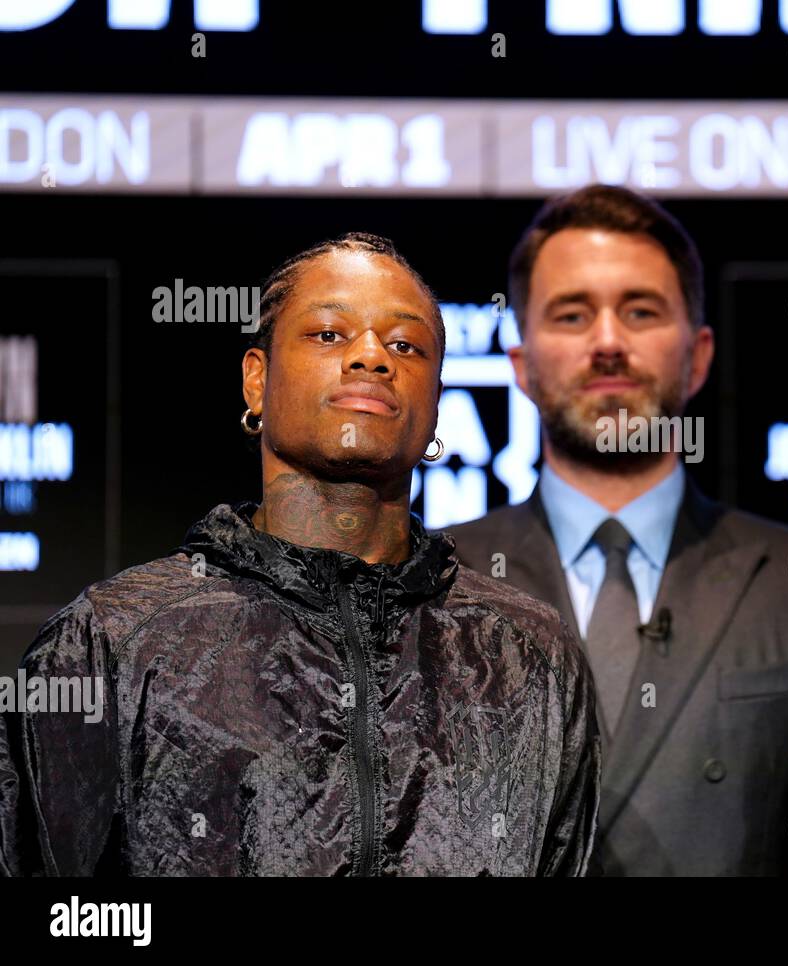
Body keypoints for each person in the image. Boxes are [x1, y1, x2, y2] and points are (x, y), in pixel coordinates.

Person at [0, 232, 599, 876]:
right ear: (256, 381)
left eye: (405, 345)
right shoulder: (111, 640)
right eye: (329, 335)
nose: (372, 358)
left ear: (435, 404)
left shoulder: (529, 655)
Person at [447, 185, 788, 875]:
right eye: (571, 314)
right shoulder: (434, 580)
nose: (609, 343)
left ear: (700, 354)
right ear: (521, 366)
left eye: (641, 311)